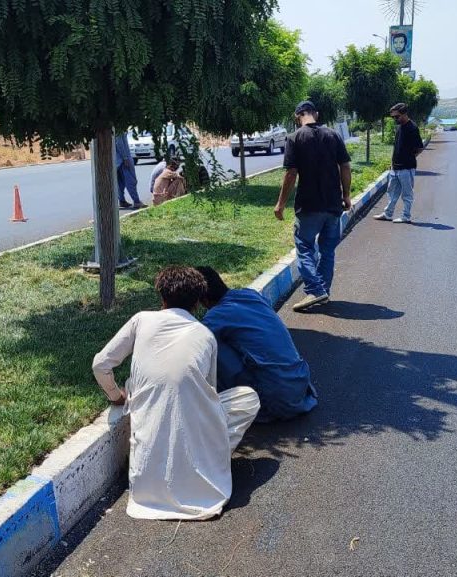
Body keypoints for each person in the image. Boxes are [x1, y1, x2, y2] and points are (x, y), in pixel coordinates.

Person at [92, 266, 260, 520]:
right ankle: (208, 461)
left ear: (161, 295)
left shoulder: (141, 320)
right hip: (203, 484)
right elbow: (210, 396)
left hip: (145, 487)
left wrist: (116, 396)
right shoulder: (206, 335)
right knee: (248, 398)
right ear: (198, 302)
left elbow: (100, 365)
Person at [196, 266, 317, 422]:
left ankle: (225, 403)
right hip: (301, 385)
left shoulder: (215, 317)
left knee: (209, 344)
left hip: (278, 402)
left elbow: (193, 345)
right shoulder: (250, 295)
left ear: (204, 300)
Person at [274, 100, 352, 312]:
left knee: (305, 247)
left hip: (308, 205)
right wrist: (346, 195)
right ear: (315, 114)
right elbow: (345, 166)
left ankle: (316, 290)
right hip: (333, 204)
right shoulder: (333, 135)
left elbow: (291, 173)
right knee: (327, 251)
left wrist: (280, 204)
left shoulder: (295, 138)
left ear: (297, 116)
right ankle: (323, 291)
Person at [374, 103, 424, 224]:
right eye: (393, 117)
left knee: (407, 194)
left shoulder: (412, 128)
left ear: (404, 113)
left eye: (397, 116)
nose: (395, 119)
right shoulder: (399, 127)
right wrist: (393, 163)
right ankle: (388, 214)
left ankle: (406, 216)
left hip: (406, 168)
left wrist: (409, 158)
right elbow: (397, 147)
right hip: (395, 168)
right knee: (391, 192)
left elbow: (419, 148)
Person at [115, 131, 146, 209]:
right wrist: (125, 157)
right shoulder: (119, 129)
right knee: (131, 181)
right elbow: (119, 143)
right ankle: (136, 201)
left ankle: (122, 200)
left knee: (120, 182)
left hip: (116, 160)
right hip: (123, 160)